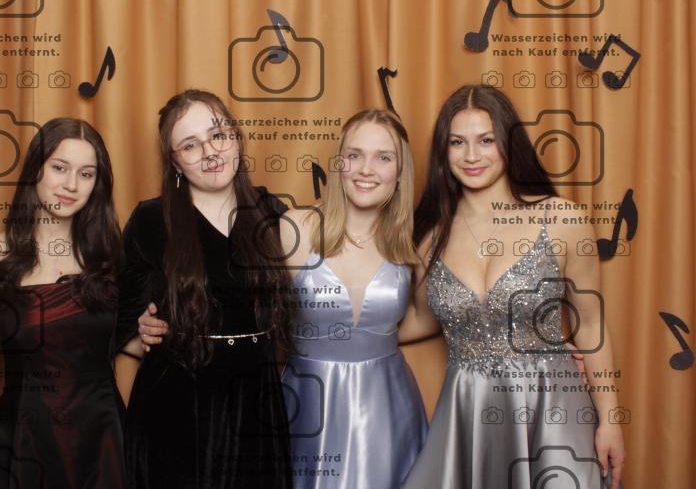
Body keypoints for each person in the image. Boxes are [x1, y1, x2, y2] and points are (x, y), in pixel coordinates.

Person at [402, 85, 626, 488]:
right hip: (469, 411)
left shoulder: (561, 219)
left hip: (552, 407)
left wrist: (610, 420)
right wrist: (344, 336)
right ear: (443, 151)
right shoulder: (429, 239)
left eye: (486, 140)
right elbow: (421, 318)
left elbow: (591, 325)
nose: (472, 156)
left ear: (509, 143)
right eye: (457, 142)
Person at [115, 89, 297, 488]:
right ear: (174, 161)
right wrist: (139, 328)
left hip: (257, 405)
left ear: (236, 138)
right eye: (190, 145)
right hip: (177, 410)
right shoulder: (149, 221)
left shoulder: (272, 214)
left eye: (218, 135)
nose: (210, 152)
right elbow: (121, 328)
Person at [0, 118, 126, 488]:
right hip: (23, 442)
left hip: (101, 444)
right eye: (59, 168)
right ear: (36, 168)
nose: (71, 185)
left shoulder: (111, 258)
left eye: (86, 174)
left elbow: (131, 341)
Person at [278, 109, 435, 488]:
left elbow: (427, 317)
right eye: (355, 155)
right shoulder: (294, 228)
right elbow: (258, 313)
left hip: (387, 403)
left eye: (383, 158)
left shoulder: (413, 243)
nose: (366, 169)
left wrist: (374, 338)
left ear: (400, 172)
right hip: (308, 400)